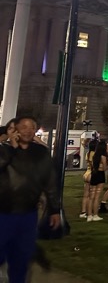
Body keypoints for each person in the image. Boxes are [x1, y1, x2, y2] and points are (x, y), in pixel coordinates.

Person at [0, 116, 60, 282]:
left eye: (31, 127)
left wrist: (54, 209)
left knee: (21, 257)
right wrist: (11, 148)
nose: (27, 130)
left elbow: (50, 182)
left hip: (27, 214)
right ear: (16, 129)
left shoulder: (40, 153)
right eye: (23, 127)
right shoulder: (4, 150)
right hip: (3, 213)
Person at [87, 141, 108, 222]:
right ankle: (95, 214)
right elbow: (105, 168)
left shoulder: (94, 156)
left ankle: (89, 215)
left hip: (94, 174)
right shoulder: (103, 156)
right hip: (100, 175)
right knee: (97, 197)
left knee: (91, 196)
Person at [79, 139, 97, 219]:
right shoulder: (94, 154)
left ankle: (83, 212)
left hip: (86, 173)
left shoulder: (88, 153)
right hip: (91, 174)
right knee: (91, 195)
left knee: (85, 195)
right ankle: (90, 211)